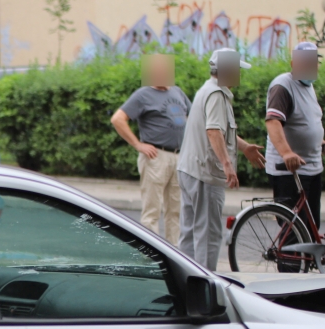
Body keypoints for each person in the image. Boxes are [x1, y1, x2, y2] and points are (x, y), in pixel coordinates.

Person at [177, 48, 265, 269]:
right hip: (205, 174)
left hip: (189, 170)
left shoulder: (207, 90)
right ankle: (206, 284)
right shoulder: (217, 94)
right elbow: (214, 131)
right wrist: (227, 165)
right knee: (208, 235)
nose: (240, 74)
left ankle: (187, 280)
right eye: (237, 69)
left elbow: (220, 130)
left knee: (189, 232)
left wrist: (243, 147)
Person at [264, 41, 325, 269]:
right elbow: (273, 122)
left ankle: (306, 272)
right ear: (293, 64)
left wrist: (324, 145)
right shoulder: (283, 86)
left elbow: (307, 123)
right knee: (292, 228)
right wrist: (287, 152)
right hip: (289, 169)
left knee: (310, 226)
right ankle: (288, 279)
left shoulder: (308, 87)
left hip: (312, 167)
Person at [110, 53, 190, 242]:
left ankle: (175, 256)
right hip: (157, 156)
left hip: (178, 156)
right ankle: (152, 256)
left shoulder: (177, 92)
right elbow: (118, 119)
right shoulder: (143, 95)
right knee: (152, 211)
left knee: (175, 211)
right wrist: (138, 144)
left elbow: (193, 118)